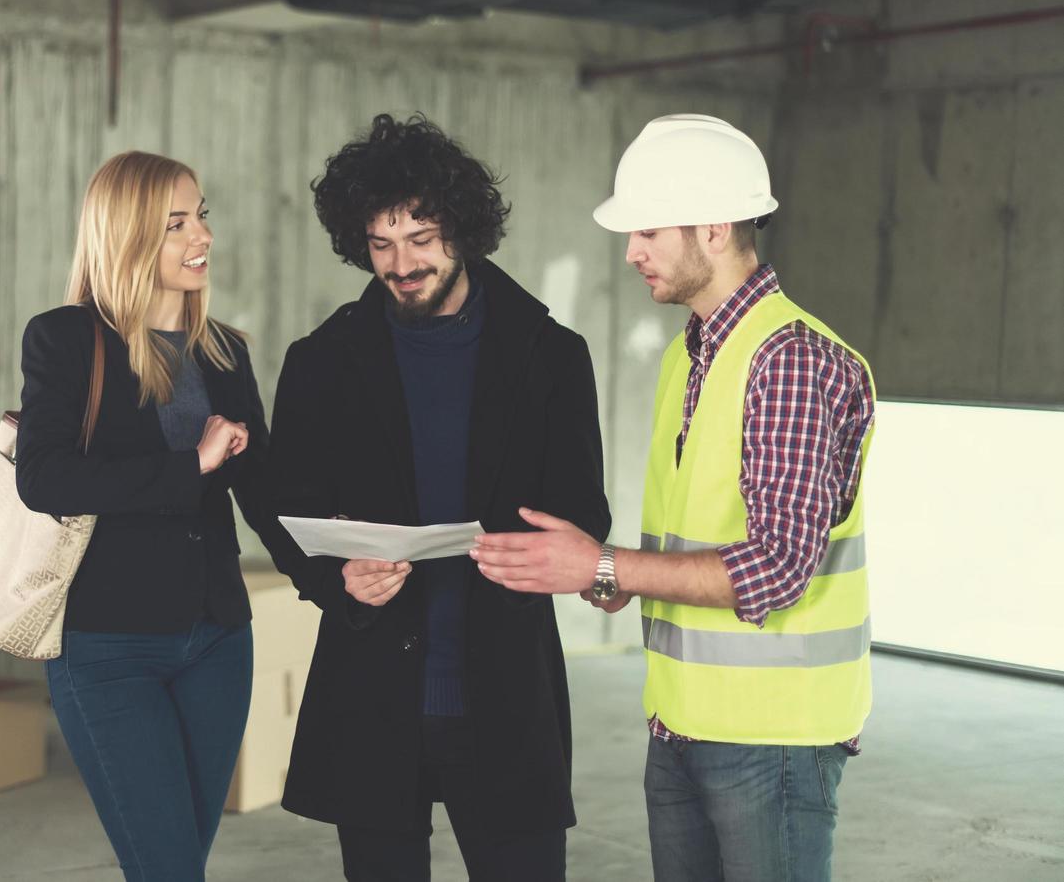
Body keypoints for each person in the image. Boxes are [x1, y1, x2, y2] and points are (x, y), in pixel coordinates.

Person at [471, 114, 876, 882]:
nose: (630, 252)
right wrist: (600, 573)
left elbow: (776, 569)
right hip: (682, 722)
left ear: (715, 228)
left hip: (772, 739)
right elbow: (689, 538)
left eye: (649, 231)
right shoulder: (686, 356)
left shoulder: (787, 360)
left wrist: (607, 565)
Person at [265, 113, 611, 882]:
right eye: (380, 244)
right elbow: (290, 514)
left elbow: (584, 511)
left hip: (505, 686)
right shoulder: (320, 361)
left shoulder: (551, 356)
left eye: (420, 239)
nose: (400, 263)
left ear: (461, 230)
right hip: (372, 692)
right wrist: (338, 580)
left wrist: (544, 555)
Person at [15, 150, 278, 882]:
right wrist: (189, 466)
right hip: (107, 648)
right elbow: (44, 477)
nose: (202, 235)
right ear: (128, 236)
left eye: (201, 215)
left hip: (218, 638)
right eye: (175, 223)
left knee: (178, 862)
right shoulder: (65, 339)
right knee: (167, 868)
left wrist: (338, 569)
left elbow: (263, 489)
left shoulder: (222, 351)